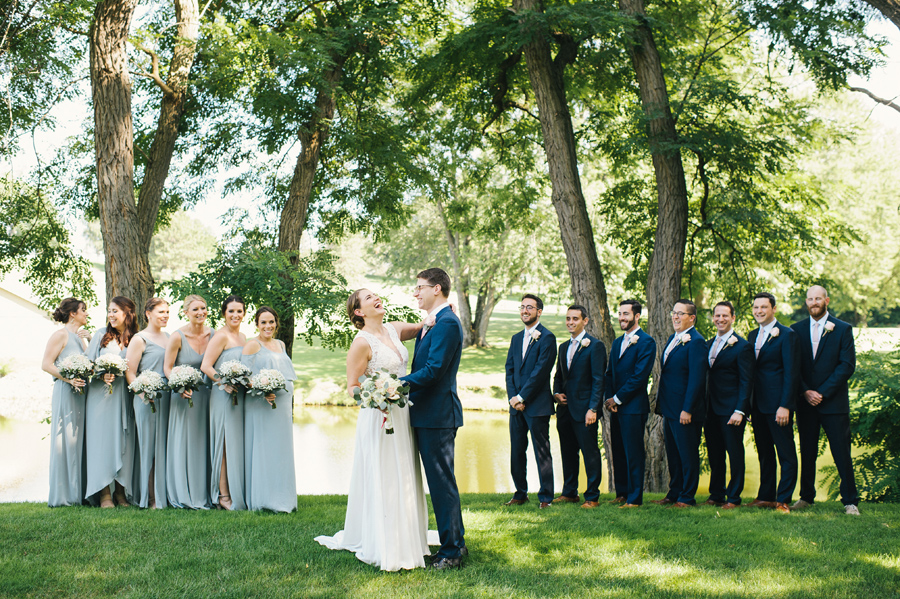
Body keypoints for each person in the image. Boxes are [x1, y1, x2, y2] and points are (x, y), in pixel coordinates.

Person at [315, 290, 434, 570]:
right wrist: (377, 399)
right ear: (358, 311)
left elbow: (425, 326)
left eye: (375, 295)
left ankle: (409, 536)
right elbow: (353, 387)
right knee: (385, 473)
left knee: (403, 472)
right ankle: (385, 540)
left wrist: (442, 308)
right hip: (379, 416)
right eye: (369, 298)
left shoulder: (394, 329)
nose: (376, 298)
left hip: (403, 413)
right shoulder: (360, 343)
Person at [402, 268, 467, 570]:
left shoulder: (446, 324)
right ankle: (455, 544)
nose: (415, 293)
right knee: (441, 483)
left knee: (442, 484)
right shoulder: (436, 321)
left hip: (438, 416)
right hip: (427, 414)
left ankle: (452, 552)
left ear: (436, 289)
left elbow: (433, 370)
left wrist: (395, 384)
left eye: (419, 288)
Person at [790, 285, 859, 515]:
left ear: (826, 300)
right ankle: (806, 497)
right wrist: (806, 391)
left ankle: (850, 501)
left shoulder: (842, 329)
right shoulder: (795, 330)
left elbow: (847, 365)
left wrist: (822, 392)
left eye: (818, 298)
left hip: (834, 402)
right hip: (805, 401)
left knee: (841, 452)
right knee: (807, 451)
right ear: (806, 302)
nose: (814, 302)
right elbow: (792, 367)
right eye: (810, 299)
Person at [746, 292, 798, 514]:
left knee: (785, 453)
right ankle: (765, 496)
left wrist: (785, 405)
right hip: (757, 405)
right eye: (756, 307)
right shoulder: (750, 336)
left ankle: (783, 499)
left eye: (763, 307)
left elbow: (791, 373)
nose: (759, 311)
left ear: (773, 309)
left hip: (778, 406)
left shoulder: (787, 335)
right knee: (764, 452)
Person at [652, 299, 707, 508]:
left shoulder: (696, 341)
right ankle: (673, 493)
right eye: (674, 312)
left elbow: (696, 379)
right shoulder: (673, 339)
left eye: (681, 313)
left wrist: (688, 409)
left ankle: (687, 497)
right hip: (670, 408)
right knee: (673, 454)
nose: (675, 317)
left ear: (691, 318)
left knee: (687, 454)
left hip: (685, 410)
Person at [504, 294, 557, 509]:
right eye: (523, 307)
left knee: (541, 451)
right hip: (516, 407)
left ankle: (546, 497)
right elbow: (509, 369)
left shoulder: (547, 338)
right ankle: (520, 493)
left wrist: (522, 396)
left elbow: (540, 372)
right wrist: (513, 398)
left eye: (530, 307)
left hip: (537, 405)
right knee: (517, 450)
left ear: (539, 312)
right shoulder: (516, 338)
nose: (525, 311)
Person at [241, 307, 297, 512]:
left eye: (271, 322)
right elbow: (244, 377)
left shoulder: (281, 344)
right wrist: (262, 389)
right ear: (256, 324)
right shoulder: (252, 345)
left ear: (276, 323)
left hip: (282, 405)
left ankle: (284, 497)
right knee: (265, 448)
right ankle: (264, 499)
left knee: (281, 449)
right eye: (263, 322)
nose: (268, 326)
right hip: (262, 404)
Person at [85, 296, 138, 508]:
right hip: (102, 398)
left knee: (124, 443)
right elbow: (87, 365)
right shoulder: (100, 335)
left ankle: (121, 493)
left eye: (115, 311)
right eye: (109, 311)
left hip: (125, 397)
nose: (111, 315)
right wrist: (100, 374)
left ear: (127, 314)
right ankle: (105, 493)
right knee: (103, 443)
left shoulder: (136, 338)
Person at [551, 305, 606, 508]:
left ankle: (592, 496)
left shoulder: (595, 346)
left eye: (575, 319)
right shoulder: (563, 347)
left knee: (590, 453)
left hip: (585, 412)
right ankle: (569, 492)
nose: (570, 322)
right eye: (568, 318)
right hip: (565, 411)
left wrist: (593, 409)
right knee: (568, 452)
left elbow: (598, 380)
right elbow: (558, 376)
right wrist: (556, 394)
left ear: (585, 321)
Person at [604, 300, 655, 508]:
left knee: (633, 453)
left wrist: (617, 398)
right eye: (619, 313)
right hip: (615, 407)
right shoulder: (617, 342)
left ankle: (635, 499)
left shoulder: (646, 342)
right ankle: (622, 493)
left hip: (633, 408)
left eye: (626, 314)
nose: (621, 317)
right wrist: (610, 399)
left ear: (637, 316)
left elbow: (639, 377)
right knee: (618, 450)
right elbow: (609, 373)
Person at [165, 294, 213, 509]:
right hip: (184, 396)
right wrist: (180, 385)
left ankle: (207, 493)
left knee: (204, 442)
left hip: (208, 396)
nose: (200, 312)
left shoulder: (214, 335)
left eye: (203, 308)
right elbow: (167, 367)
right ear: (186, 313)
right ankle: (183, 492)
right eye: (195, 309)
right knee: (186, 442)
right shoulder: (177, 336)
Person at [703, 301, 753, 509]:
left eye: (725, 316)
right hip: (709, 409)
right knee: (714, 453)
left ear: (733, 318)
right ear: (713, 318)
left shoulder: (742, 346)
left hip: (732, 410)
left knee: (734, 454)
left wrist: (740, 410)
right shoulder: (706, 344)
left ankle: (734, 497)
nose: (720, 319)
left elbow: (746, 381)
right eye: (717, 316)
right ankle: (716, 494)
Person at [41, 297, 90, 507]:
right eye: (84, 310)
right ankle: (63, 496)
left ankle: (78, 493)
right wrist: (68, 378)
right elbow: (46, 364)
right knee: (64, 439)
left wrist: (88, 342)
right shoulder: (60, 335)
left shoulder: (79, 338)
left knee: (78, 440)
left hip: (82, 393)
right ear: (73, 313)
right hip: (65, 391)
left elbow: (88, 364)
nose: (86, 313)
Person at [201, 295, 248, 511]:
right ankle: (223, 495)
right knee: (224, 444)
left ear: (244, 313)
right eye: (231, 311)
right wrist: (223, 382)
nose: (235, 315)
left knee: (236, 443)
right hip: (222, 395)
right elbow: (206, 366)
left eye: (239, 311)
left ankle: (238, 489)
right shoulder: (220, 336)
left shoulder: (245, 338)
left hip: (240, 397)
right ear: (224, 313)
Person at [125, 298, 171, 509]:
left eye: (167, 312)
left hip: (167, 397)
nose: (165, 316)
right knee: (149, 447)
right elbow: (130, 372)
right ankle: (150, 497)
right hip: (146, 398)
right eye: (161, 312)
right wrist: (143, 393)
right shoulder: (139, 339)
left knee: (164, 446)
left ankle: (164, 495)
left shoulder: (169, 337)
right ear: (148, 313)